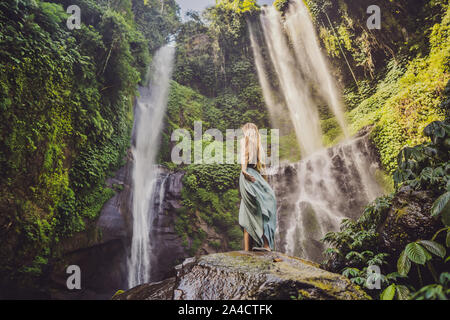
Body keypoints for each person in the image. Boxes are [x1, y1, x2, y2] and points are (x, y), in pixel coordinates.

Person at [239, 123, 277, 252]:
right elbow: (263, 170)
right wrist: (265, 186)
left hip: (248, 176)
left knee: (248, 212)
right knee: (262, 208)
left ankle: (247, 250)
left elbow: (244, 157)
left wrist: (244, 171)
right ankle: (266, 245)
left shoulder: (245, 141)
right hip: (255, 177)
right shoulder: (259, 145)